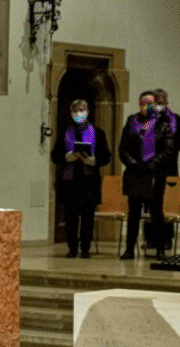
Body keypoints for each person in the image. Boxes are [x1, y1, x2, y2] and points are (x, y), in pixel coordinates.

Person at [50, 99, 112, 258]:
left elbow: (106, 156)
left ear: (87, 111)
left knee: (87, 218)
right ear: (71, 113)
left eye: (82, 110)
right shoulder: (65, 132)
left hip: (89, 181)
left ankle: (85, 248)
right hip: (69, 181)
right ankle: (72, 248)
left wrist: (95, 161)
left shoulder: (98, 133)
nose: (79, 113)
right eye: (76, 110)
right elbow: (55, 155)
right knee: (71, 217)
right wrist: (67, 157)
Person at [118, 90, 175, 259]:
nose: (146, 106)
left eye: (150, 102)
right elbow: (123, 149)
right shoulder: (131, 122)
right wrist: (134, 164)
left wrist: (151, 164)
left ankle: (160, 248)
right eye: (143, 102)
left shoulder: (163, 124)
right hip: (135, 173)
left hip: (155, 174)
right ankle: (129, 249)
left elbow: (168, 150)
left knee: (156, 212)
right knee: (134, 213)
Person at [146, 89, 180, 251]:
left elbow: (179, 142)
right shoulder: (146, 119)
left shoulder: (176, 120)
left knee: (167, 205)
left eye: (162, 101)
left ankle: (166, 238)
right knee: (150, 205)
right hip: (150, 167)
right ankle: (150, 239)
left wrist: (163, 153)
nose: (160, 104)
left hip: (169, 167)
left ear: (167, 102)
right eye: (157, 101)